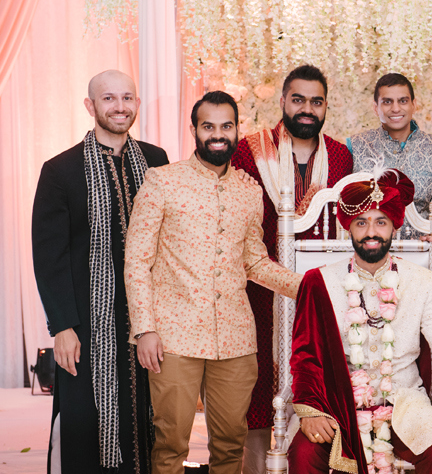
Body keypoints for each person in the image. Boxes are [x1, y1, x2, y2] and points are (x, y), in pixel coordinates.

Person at [124, 90, 302, 474]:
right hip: (174, 337)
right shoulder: (162, 182)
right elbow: (137, 262)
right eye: (209, 127)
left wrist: (308, 287)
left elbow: (255, 262)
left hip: (236, 339)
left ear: (237, 130)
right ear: (194, 130)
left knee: (229, 444)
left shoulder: (248, 190)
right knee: (171, 442)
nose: (217, 135)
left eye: (226, 126)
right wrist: (145, 329)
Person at [287, 169, 432, 473]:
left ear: (394, 227)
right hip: (340, 404)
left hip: (406, 402)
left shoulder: (422, 282)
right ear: (349, 228)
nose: (371, 231)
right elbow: (305, 356)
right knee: (303, 454)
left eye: (380, 222)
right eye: (361, 223)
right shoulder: (319, 281)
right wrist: (310, 411)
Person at [32, 69, 169, 474]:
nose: (120, 107)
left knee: (150, 421)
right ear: (91, 106)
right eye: (109, 99)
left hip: (147, 320)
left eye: (127, 98)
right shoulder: (60, 171)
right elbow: (49, 255)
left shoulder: (158, 162)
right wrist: (62, 326)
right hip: (86, 327)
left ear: (137, 105)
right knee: (85, 422)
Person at [230, 64, 352, 470]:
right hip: (257, 289)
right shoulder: (249, 151)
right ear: (282, 101)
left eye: (315, 102)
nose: (306, 109)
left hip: (318, 290)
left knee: (315, 373)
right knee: (260, 379)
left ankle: (314, 455)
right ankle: (255, 465)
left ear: (325, 107)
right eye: (298, 100)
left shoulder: (338, 155)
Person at [347, 73, 432, 238]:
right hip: (369, 250)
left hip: (422, 254)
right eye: (387, 102)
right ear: (376, 108)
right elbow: (342, 204)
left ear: (413, 105)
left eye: (403, 101)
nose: (395, 108)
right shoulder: (357, 145)